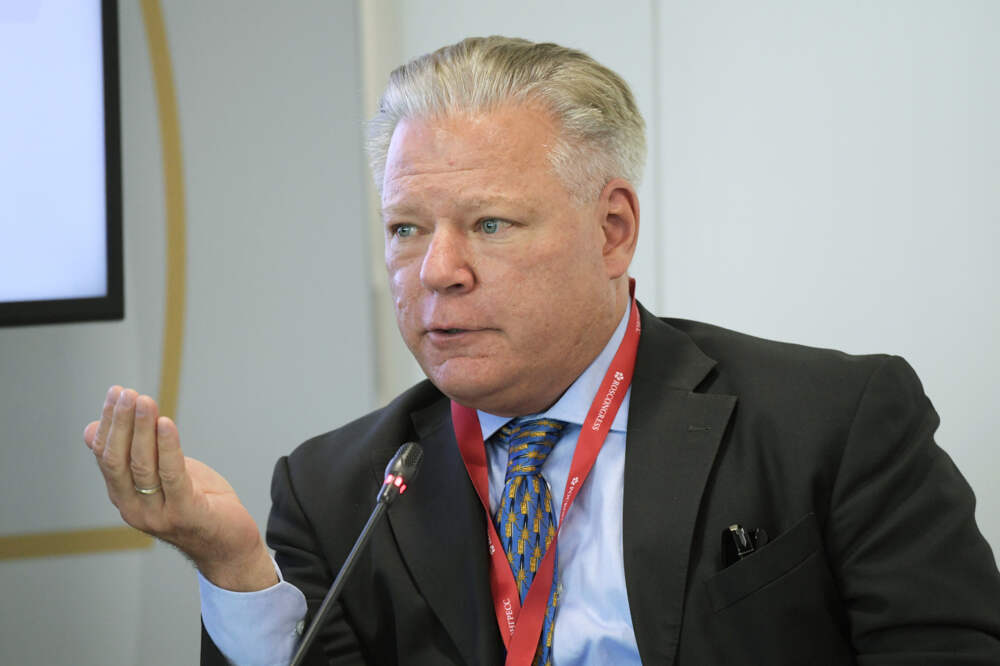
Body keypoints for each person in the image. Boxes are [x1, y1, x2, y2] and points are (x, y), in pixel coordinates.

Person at [85, 37, 1000, 665]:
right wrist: (234, 570)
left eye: (490, 224)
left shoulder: (828, 424)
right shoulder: (336, 491)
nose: (437, 271)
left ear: (612, 230)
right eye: (406, 228)